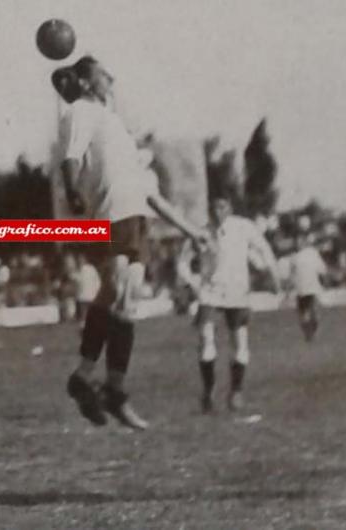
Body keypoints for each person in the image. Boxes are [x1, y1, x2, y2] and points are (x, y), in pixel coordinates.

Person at [54, 57, 205, 430]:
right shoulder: (80, 111)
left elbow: (150, 193)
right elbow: (70, 157)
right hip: (109, 215)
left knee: (126, 299)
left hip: (136, 218)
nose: (113, 79)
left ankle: (107, 386)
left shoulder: (115, 125)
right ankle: (95, 381)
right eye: (105, 74)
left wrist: (191, 230)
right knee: (119, 291)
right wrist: (74, 191)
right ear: (89, 82)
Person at [193, 197, 279, 414]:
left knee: (239, 341)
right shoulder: (200, 231)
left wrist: (272, 274)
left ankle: (236, 391)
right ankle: (208, 390)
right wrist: (195, 284)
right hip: (209, 292)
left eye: (222, 206)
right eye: (213, 207)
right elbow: (182, 261)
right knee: (205, 339)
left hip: (237, 291)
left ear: (229, 208)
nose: (217, 211)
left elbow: (264, 249)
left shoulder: (243, 227)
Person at [288, 232, 329, 342]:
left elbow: (321, 269)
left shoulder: (305, 254)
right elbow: (322, 271)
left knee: (308, 313)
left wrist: (324, 281)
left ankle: (310, 333)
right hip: (306, 288)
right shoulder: (300, 256)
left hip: (306, 288)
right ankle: (310, 334)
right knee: (308, 313)